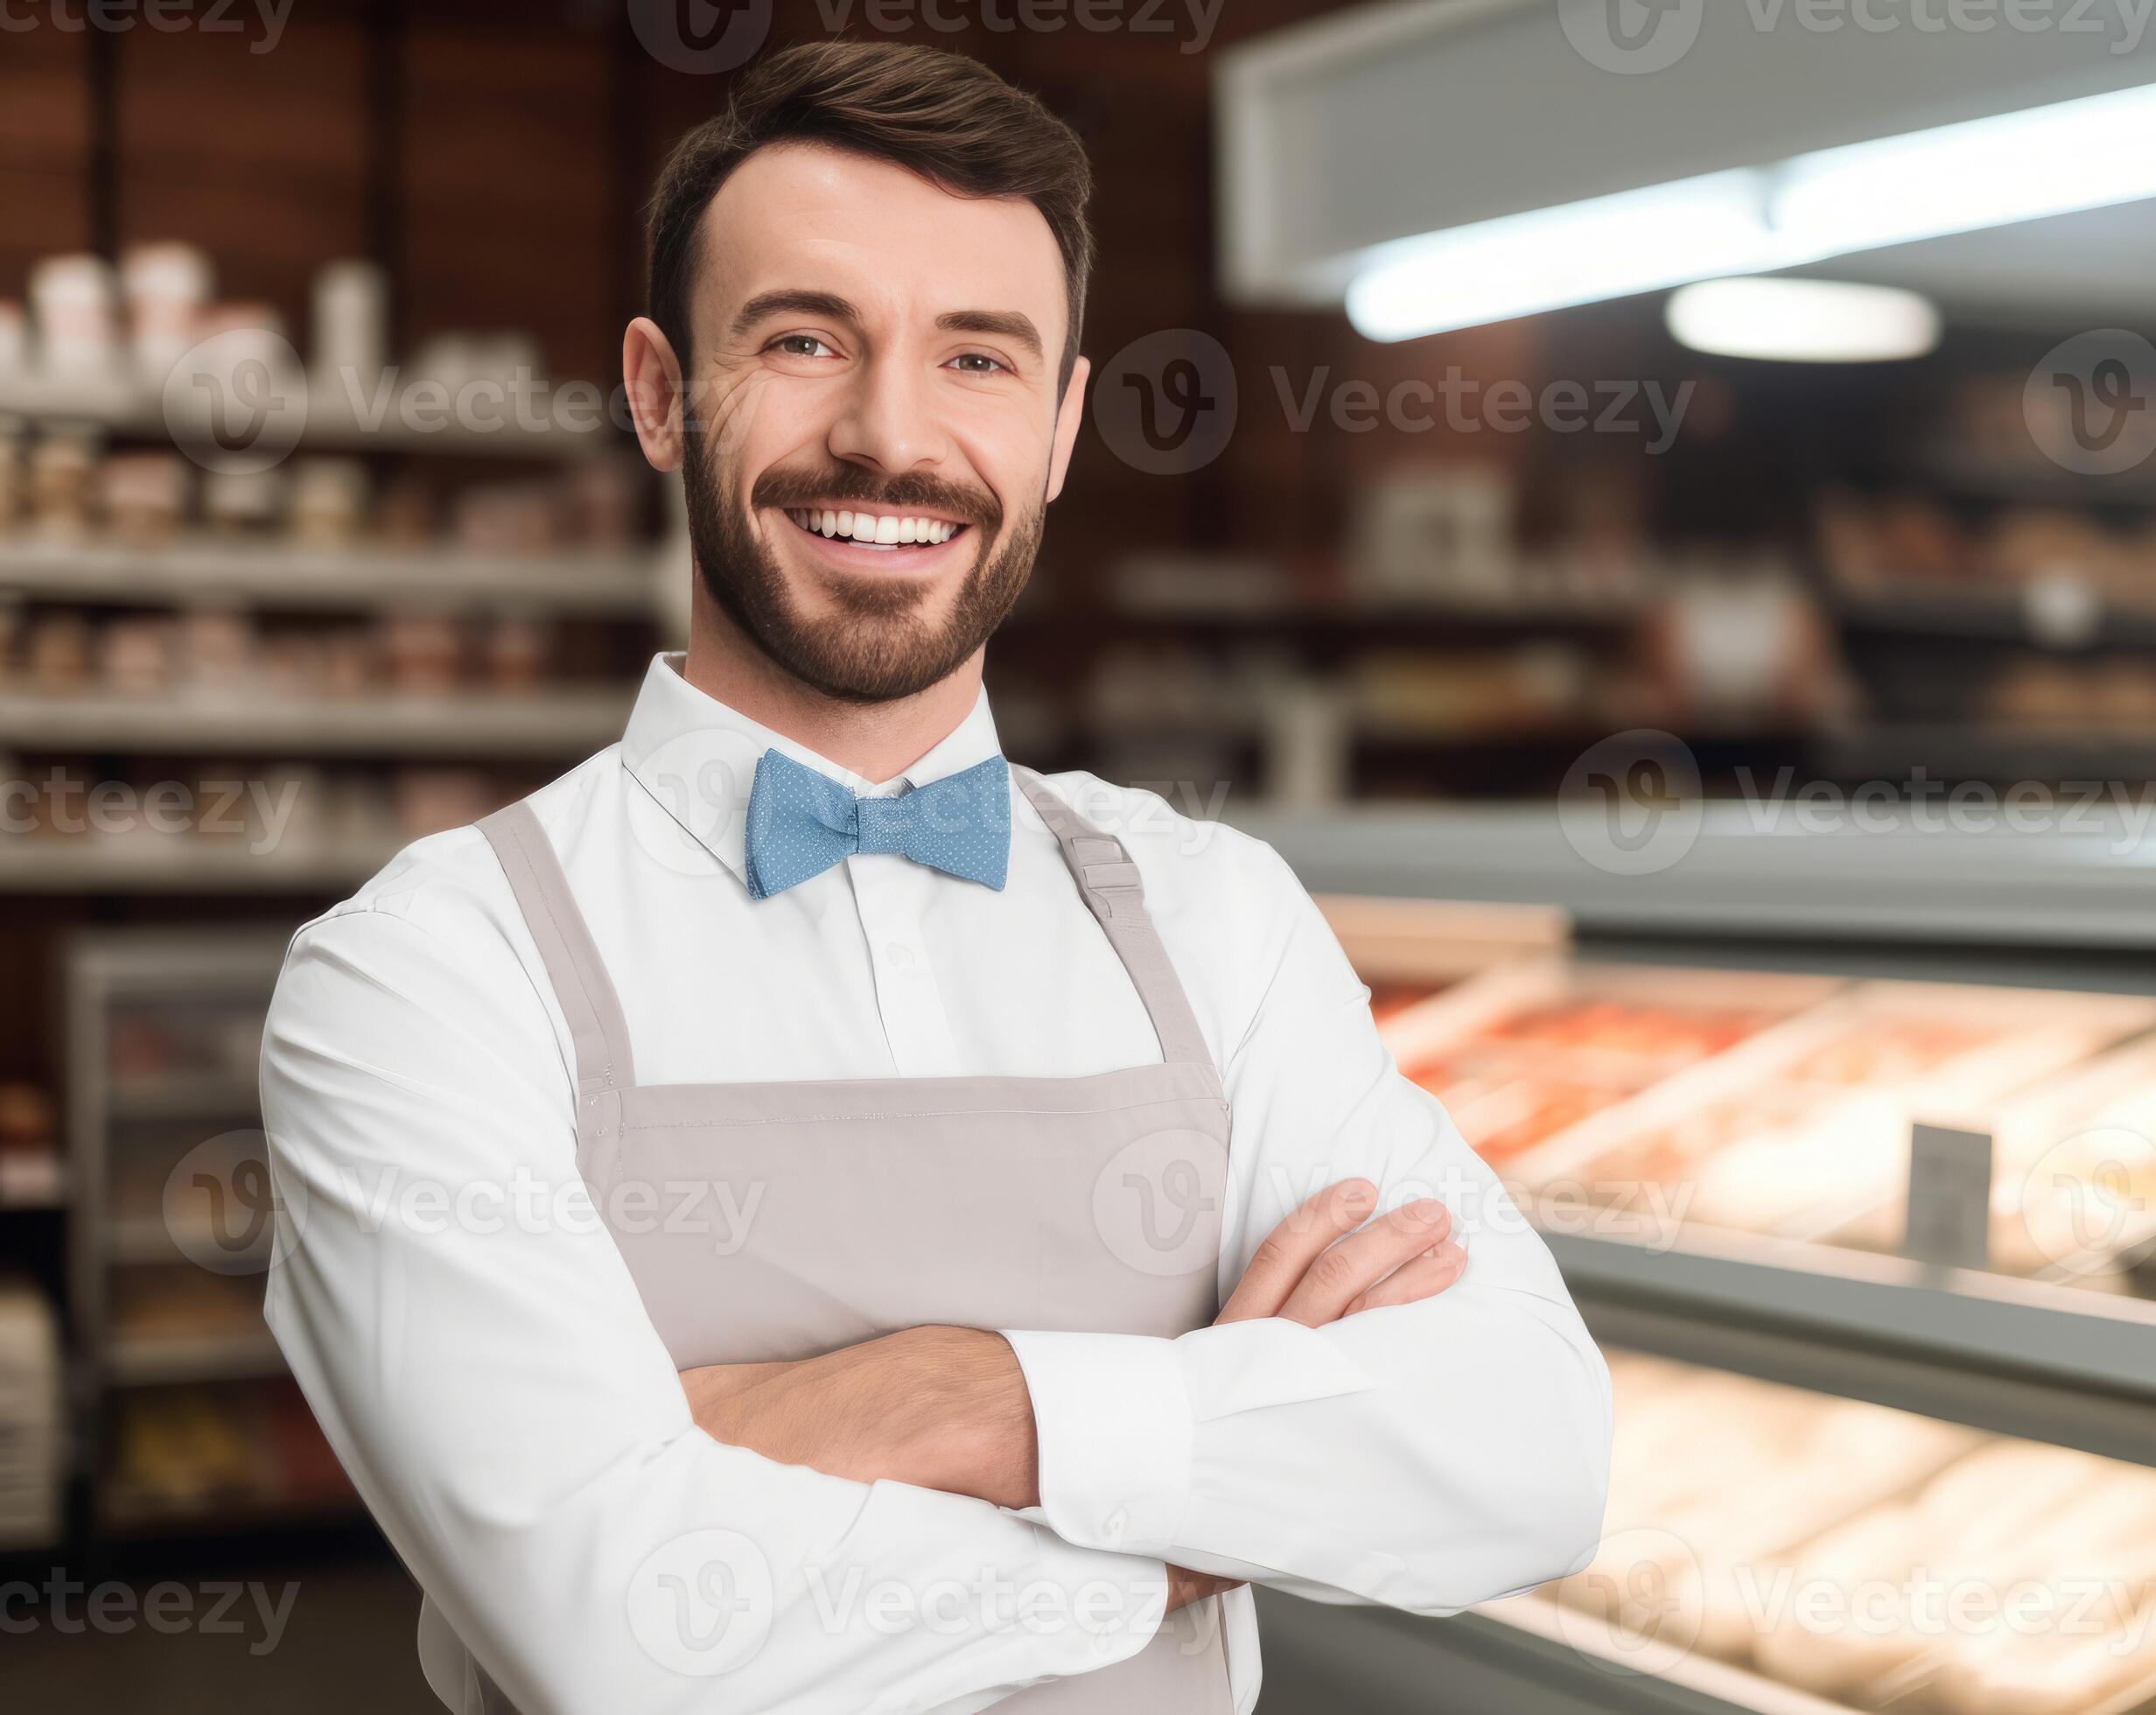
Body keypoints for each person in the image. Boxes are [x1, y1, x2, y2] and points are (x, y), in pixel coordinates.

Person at [259, 38, 1610, 1715]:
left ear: (1056, 430)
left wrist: (958, 1399)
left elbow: (1530, 1451)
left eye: (977, 358)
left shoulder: (1217, 914)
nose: (890, 439)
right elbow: (614, 1632)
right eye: (807, 339)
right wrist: (1195, 1507)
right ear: (664, 393)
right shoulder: (423, 970)